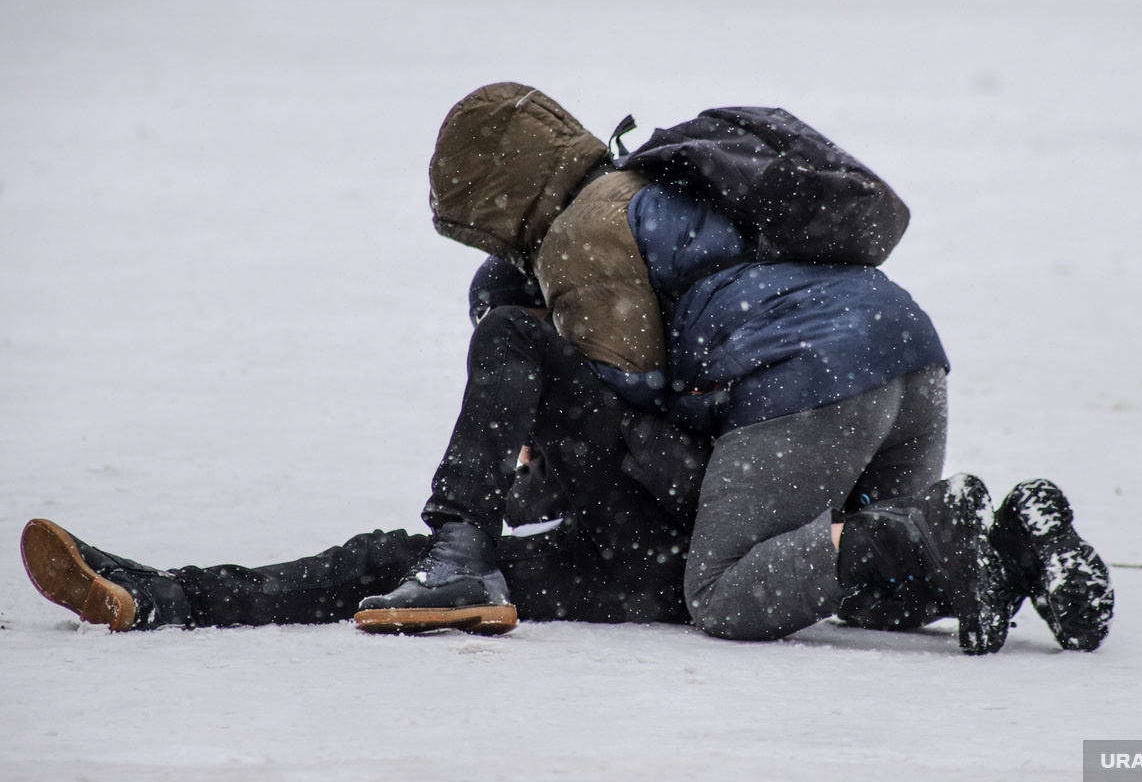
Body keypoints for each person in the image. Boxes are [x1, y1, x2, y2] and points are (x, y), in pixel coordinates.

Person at [388, 81, 1114, 654]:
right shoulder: (654, 185)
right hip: (909, 350)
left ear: (496, 203)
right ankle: (1021, 543)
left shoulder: (583, 235)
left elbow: (631, 406)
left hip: (811, 376)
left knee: (726, 592)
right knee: (854, 585)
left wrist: (525, 483)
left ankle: (928, 522)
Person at [20, 258, 710, 633]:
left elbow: (660, 465)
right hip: (623, 573)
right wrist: (537, 463)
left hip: (668, 547)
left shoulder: (629, 367)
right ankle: (162, 598)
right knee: (379, 559)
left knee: (506, 333)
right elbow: (540, 505)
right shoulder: (582, 406)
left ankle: (460, 545)